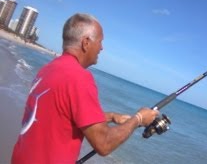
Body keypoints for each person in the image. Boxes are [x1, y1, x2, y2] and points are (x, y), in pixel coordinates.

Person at [11, 13, 159, 163]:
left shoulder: (47, 70)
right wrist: (138, 119)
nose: (102, 48)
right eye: (100, 41)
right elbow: (104, 144)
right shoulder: (79, 78)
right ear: (86, 43)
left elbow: (62, 112)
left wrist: (112, 116)